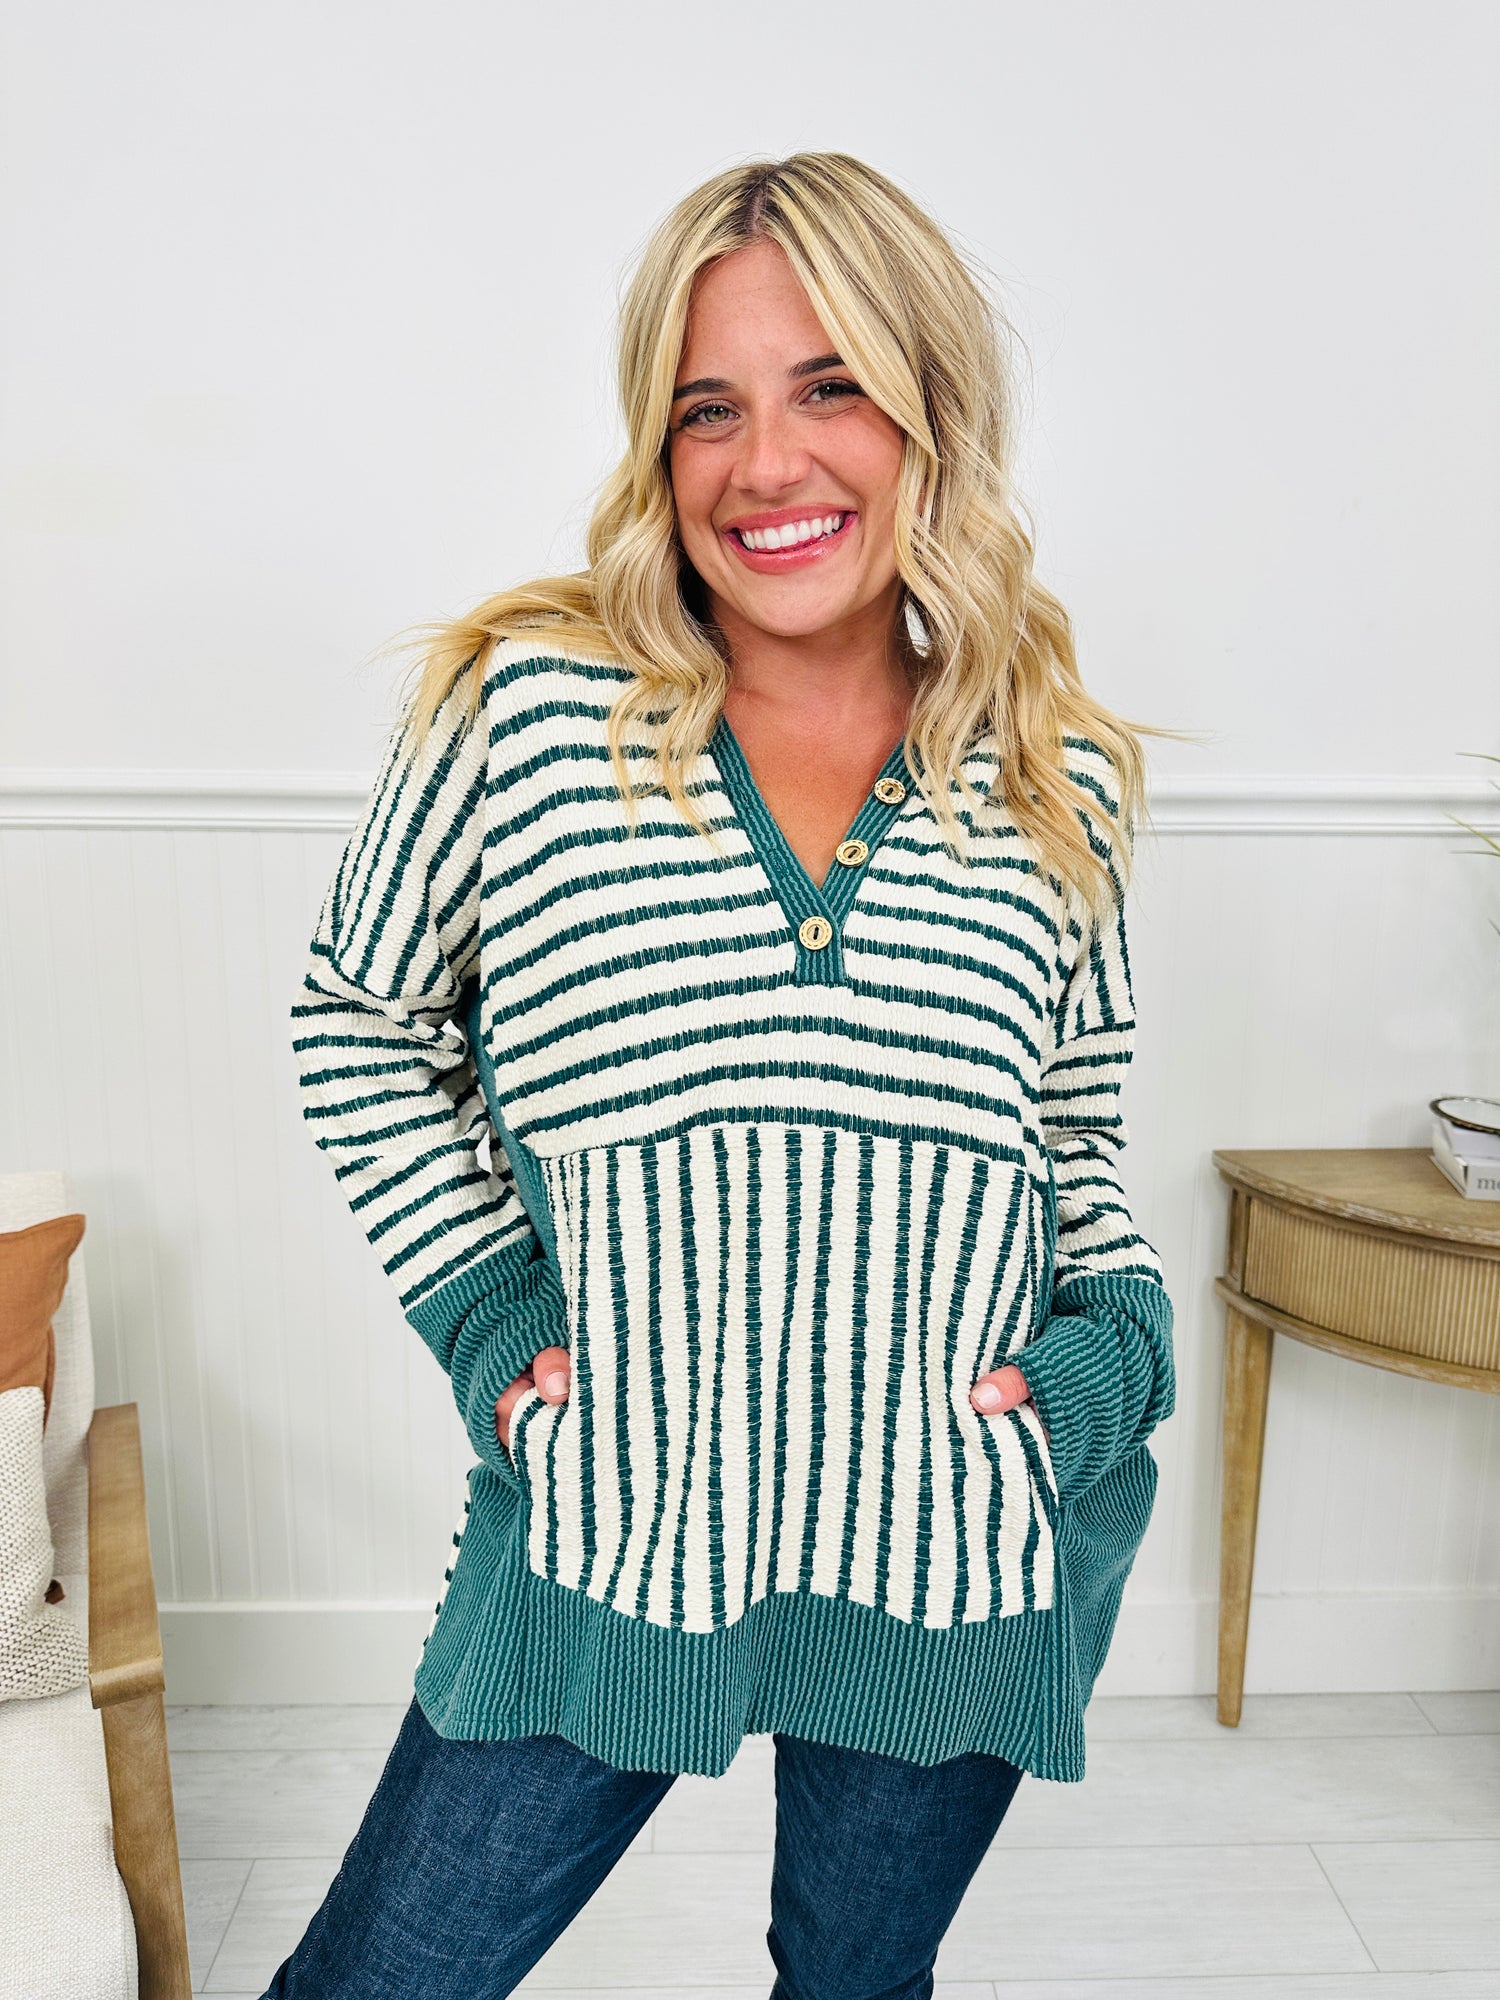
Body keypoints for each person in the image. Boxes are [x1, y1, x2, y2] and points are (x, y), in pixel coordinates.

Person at [271, 150, 1179, 2000]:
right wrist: (490, 1315)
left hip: (948, 1528)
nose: (767, 464)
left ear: (932, 414)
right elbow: (359, 1020)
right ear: (658, 447)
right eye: (710, 410)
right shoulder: (529, 716)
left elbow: (1070, 1127)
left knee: (854, 1986)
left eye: (830, 387)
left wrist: (1110, 1356)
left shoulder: (1052, 774)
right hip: (613, 1524)